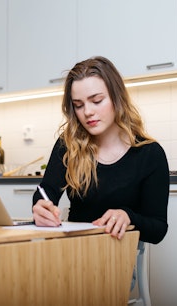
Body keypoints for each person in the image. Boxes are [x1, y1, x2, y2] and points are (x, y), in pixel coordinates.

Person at [32, 56, 169, 244]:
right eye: (78, 105)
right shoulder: (68, 145)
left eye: (96, 101)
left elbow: (158, 229)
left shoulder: (149, 154)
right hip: (74, 251)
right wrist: (40, 208)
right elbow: (45, 192)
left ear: (117, 97)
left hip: (119, 259)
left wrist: (128, 216)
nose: (87, 112)